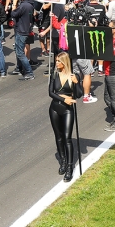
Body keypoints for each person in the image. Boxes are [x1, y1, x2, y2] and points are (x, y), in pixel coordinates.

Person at [49, 52, 80, 182]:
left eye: (58, 61)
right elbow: (50, 93)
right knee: (59, 137)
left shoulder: (74, 76)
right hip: (54, 108)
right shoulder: (54, 75)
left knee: (67, 138)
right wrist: (63, 99)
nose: (56, 63)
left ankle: (69, 166)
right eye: (56, 61)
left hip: (68, 110)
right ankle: (62, 161)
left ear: (64, 62)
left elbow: (78, 95)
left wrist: (76, 83)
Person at [10, 0, 37, 80]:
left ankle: (29, 72)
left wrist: (14, 3)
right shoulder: (29, 3)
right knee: (18, 51)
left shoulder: (24, 5)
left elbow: (13, 13)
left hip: (22, 30)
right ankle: (19, 68)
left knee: (20, 52)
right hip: (24, 29)